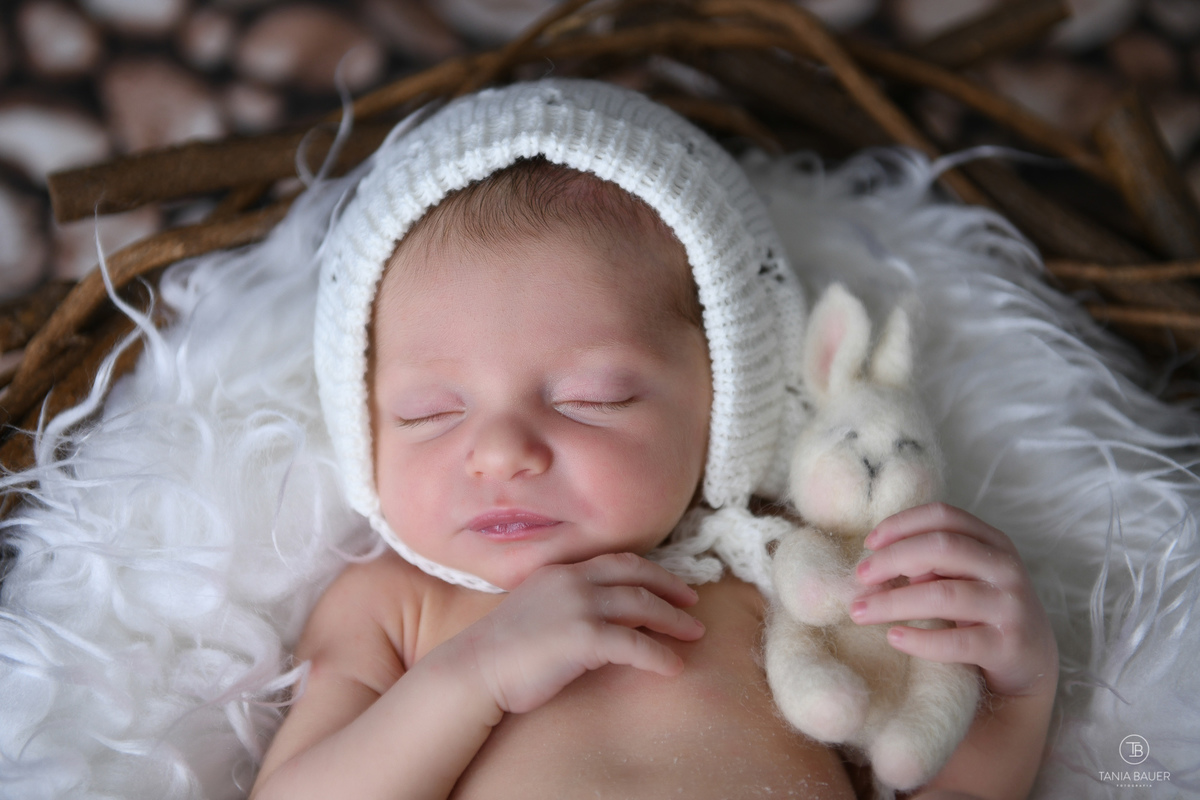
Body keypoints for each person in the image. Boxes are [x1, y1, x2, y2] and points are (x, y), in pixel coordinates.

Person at [249, 79, 1058, 800]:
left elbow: (928, 778)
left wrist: (1016, 697)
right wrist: (475, 675)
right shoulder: (399, 607)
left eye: (591, 398)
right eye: (429, 411)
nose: (499, 453)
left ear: (725, 397)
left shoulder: (779, 577)